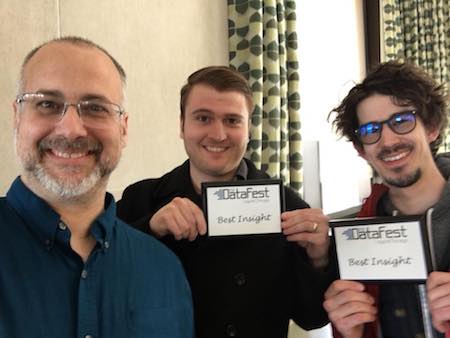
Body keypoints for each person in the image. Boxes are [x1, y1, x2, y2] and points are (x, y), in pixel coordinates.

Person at [117, 66, 334, 338]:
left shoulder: (289, 207)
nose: (218, 134)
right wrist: (150, 231)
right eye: (203, 118)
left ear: (249, 130)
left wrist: (319, 258)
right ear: (182, 125)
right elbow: (103, 289)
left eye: (232, 121)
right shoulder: (140, 200)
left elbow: (312, 318)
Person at [0, 36, 193, 338]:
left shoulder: (164, 270)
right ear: (17, 117)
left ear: (123, 128)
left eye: (96, 108)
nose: (71, 129)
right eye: (48, 104)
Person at [323, 61, 450, 338]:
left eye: (401, 121)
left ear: (431, 128)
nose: (388, 140)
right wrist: (348, 331)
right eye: (370, 131)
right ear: (361, 151)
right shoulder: (357, 236)